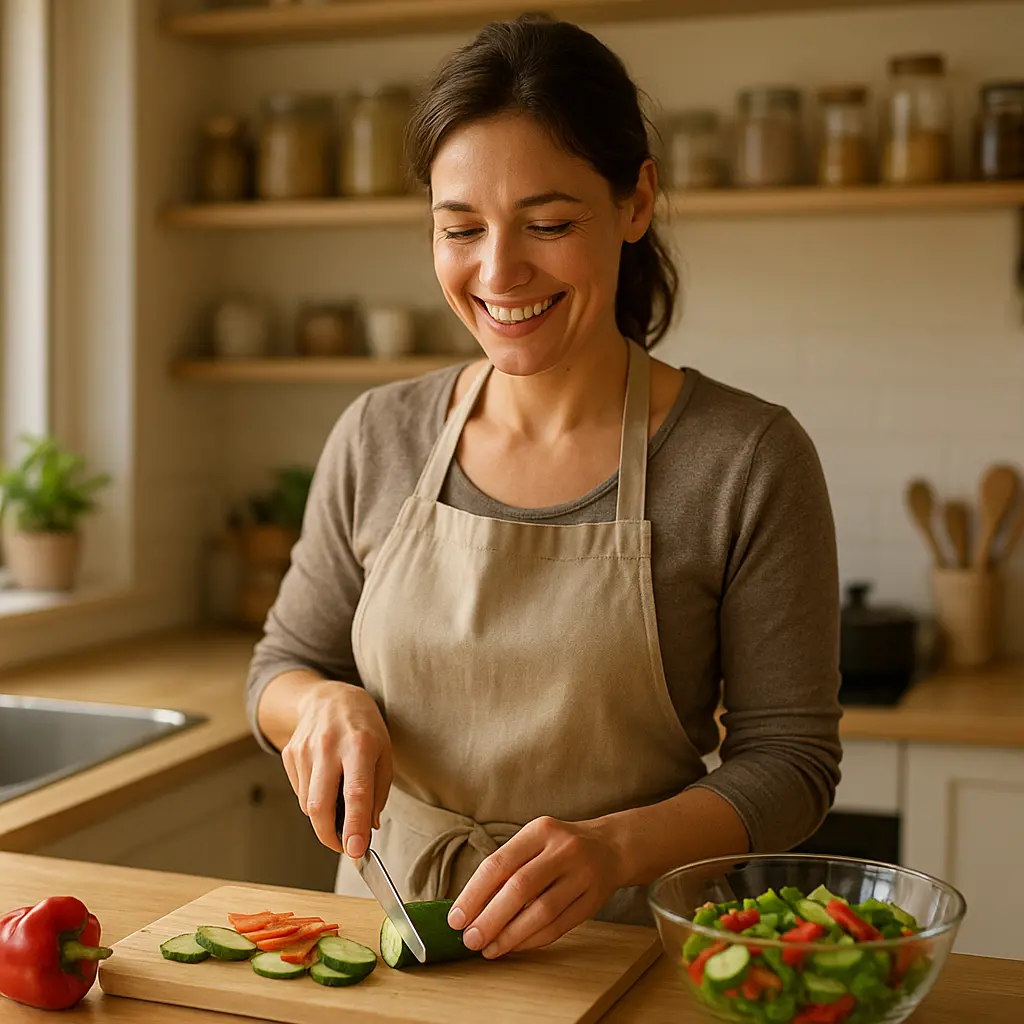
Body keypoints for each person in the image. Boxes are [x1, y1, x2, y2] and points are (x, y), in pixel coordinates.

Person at [246, 15, 842, 961]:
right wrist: (320, 704)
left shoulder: (747, 458)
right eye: (460, 229)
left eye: (550, 223)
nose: (498, 272)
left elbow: (794, 765)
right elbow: (278, 669)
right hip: (383, 941)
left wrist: (616, 848)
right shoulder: (379, 433)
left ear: (636, 200)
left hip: (620, 950)